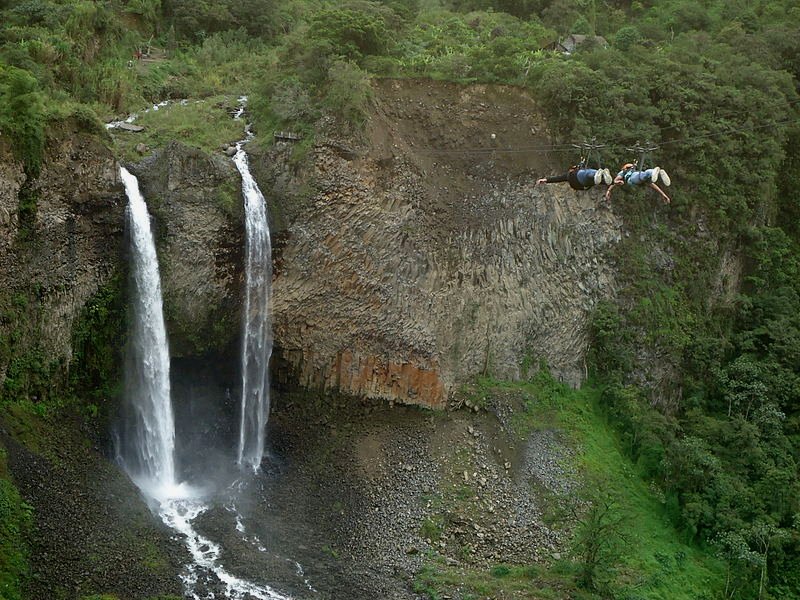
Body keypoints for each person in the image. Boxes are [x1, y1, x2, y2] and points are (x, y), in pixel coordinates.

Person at [605, 163, 671, 204]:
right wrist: (617, 182)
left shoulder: (633, 171)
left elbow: (653, 186)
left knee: (646, 174)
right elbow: (614, 181)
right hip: (631, 179)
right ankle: (654, 172)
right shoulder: (622, 173)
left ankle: (656, 172)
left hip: (639, 177)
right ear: (624, 168)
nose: (630, 168)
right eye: (628, 167)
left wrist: (663, 194)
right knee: (643, 175)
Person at [536, 164, 613, 190]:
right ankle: (601, 174)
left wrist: (545, 180)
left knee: (591, 177)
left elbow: (557, 179)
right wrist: (613, 182)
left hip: (582, 181)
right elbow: (557, 179)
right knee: (590, 174)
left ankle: (599, 175)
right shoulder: (572, 173)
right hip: (581, 179)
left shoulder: (568, 175)